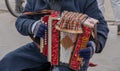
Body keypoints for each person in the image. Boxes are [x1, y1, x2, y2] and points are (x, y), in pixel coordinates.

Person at [0, 0, 109, 71]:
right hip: (41, 50)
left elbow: (102, 27)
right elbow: (21, 21)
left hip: (74, 56)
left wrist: (93, 45)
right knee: (8, 63)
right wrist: (33, 26)